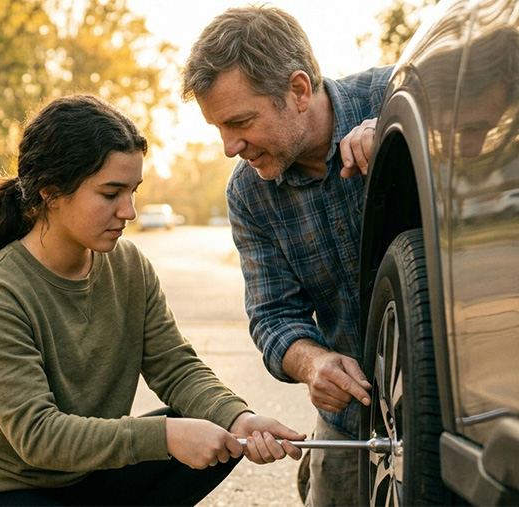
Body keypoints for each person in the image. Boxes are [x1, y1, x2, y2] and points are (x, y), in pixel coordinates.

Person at [0, 93, 304, 506]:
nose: (129, 211)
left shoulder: (128, 265)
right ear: (50, 192)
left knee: (218, 434)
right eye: (110, 193)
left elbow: (175, 367)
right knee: (177, 434)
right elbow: (38, 435)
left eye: (133, 191)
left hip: (91, 473)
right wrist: (166, 438)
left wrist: (239, 418)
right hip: (11, 489)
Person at [179, 6, 395, 506]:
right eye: (219, 129)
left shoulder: (402, 93)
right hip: (351, 418)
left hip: (445, 393)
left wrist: (406, 134)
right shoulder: (249, 195)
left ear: (298, 90)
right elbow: (273, 316)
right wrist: (314, 363)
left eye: (241, 122)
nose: (231, 147)